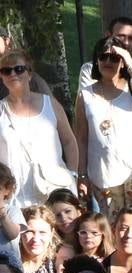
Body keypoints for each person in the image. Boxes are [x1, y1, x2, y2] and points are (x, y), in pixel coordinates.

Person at [74, 38, 132, 217]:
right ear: (97, 60)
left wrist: (129, 60)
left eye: (114, 58)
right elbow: (80, 138)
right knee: (111, 232)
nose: (108, 62)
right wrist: (81, 175)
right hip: (103, 177)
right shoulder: (85, 95)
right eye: (103, 57)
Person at [0, 49, 79, 208]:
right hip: (16, 195)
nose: (13, 73)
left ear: (29, 74)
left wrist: (73, 174)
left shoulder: (51, 104)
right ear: (1, 77)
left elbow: (69, 141)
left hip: (55, 191)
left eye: (19, 69)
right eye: (6, 70)